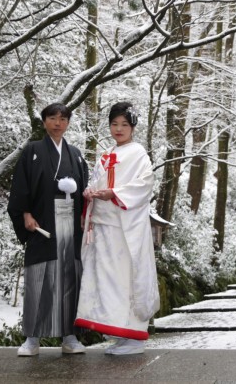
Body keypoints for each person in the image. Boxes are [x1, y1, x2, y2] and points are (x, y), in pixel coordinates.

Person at [75, 101, 160, 355]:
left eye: (124, 124)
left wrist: (114, 193)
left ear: (132, 127)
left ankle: (135, 337)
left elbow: (145, 185)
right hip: (104, 227)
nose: (119, 129)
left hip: (125, 229)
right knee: (108, 281)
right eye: (114, 124)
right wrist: (90, 192)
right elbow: (96, 182)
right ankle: (121, 333)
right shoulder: (106, 154)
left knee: (126, 278)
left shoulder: (138, 153)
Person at [7, 103, 89, 356]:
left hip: (71, 225)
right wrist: (25, 213)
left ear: (68, 123)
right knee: (39, 278)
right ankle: (32, 338)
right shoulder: (32, 151)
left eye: (63, 119)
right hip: (43, 223)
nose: (57, 123)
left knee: (70, 279)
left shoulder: (75, 154)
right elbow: (21, 185)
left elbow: (85, 190)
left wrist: (85, 216)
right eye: (52, 118)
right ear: (44, 122)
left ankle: (70, 337)